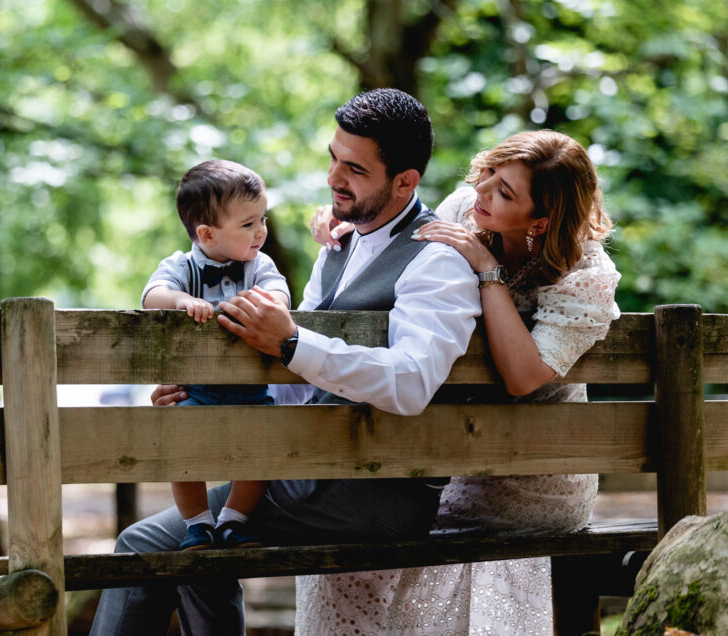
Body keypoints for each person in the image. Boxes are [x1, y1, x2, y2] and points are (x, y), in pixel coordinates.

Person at [88, 88, 482, 635]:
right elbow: (297, 383)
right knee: (196, 544)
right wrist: (204, 387)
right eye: (333, 158)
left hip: (370, 491)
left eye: (355, 169)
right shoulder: (338, 248)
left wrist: (293, 343)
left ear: (405, 182)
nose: (333, 177)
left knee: (144, 544)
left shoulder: (438, 263)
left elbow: (412, 383)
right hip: (307, 467)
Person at [297, 129, 621, 635]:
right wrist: (351, 226)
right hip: (451, 462)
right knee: (356, 537)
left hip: (533, 483)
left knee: (373, 530)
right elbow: (398, 249)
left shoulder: (585, 275)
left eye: (504, 192)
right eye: (488, 172)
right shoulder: (465, 209)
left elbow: (523, 377)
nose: (481, 191)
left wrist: (488, 270)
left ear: (541, 221)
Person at [142, 159, 291, 551]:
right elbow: (152, 296)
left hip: (251, 392)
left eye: (262, 219)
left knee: (262, 449)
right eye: (248, 224)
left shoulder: (258, 266)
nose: (261, 231)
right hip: (197, 391)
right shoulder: (182, 267)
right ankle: (198, 524)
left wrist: (269, 302)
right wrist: (181, 300)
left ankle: (233, 520)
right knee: (181, 447)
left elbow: (279, 291)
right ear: (207, 234)